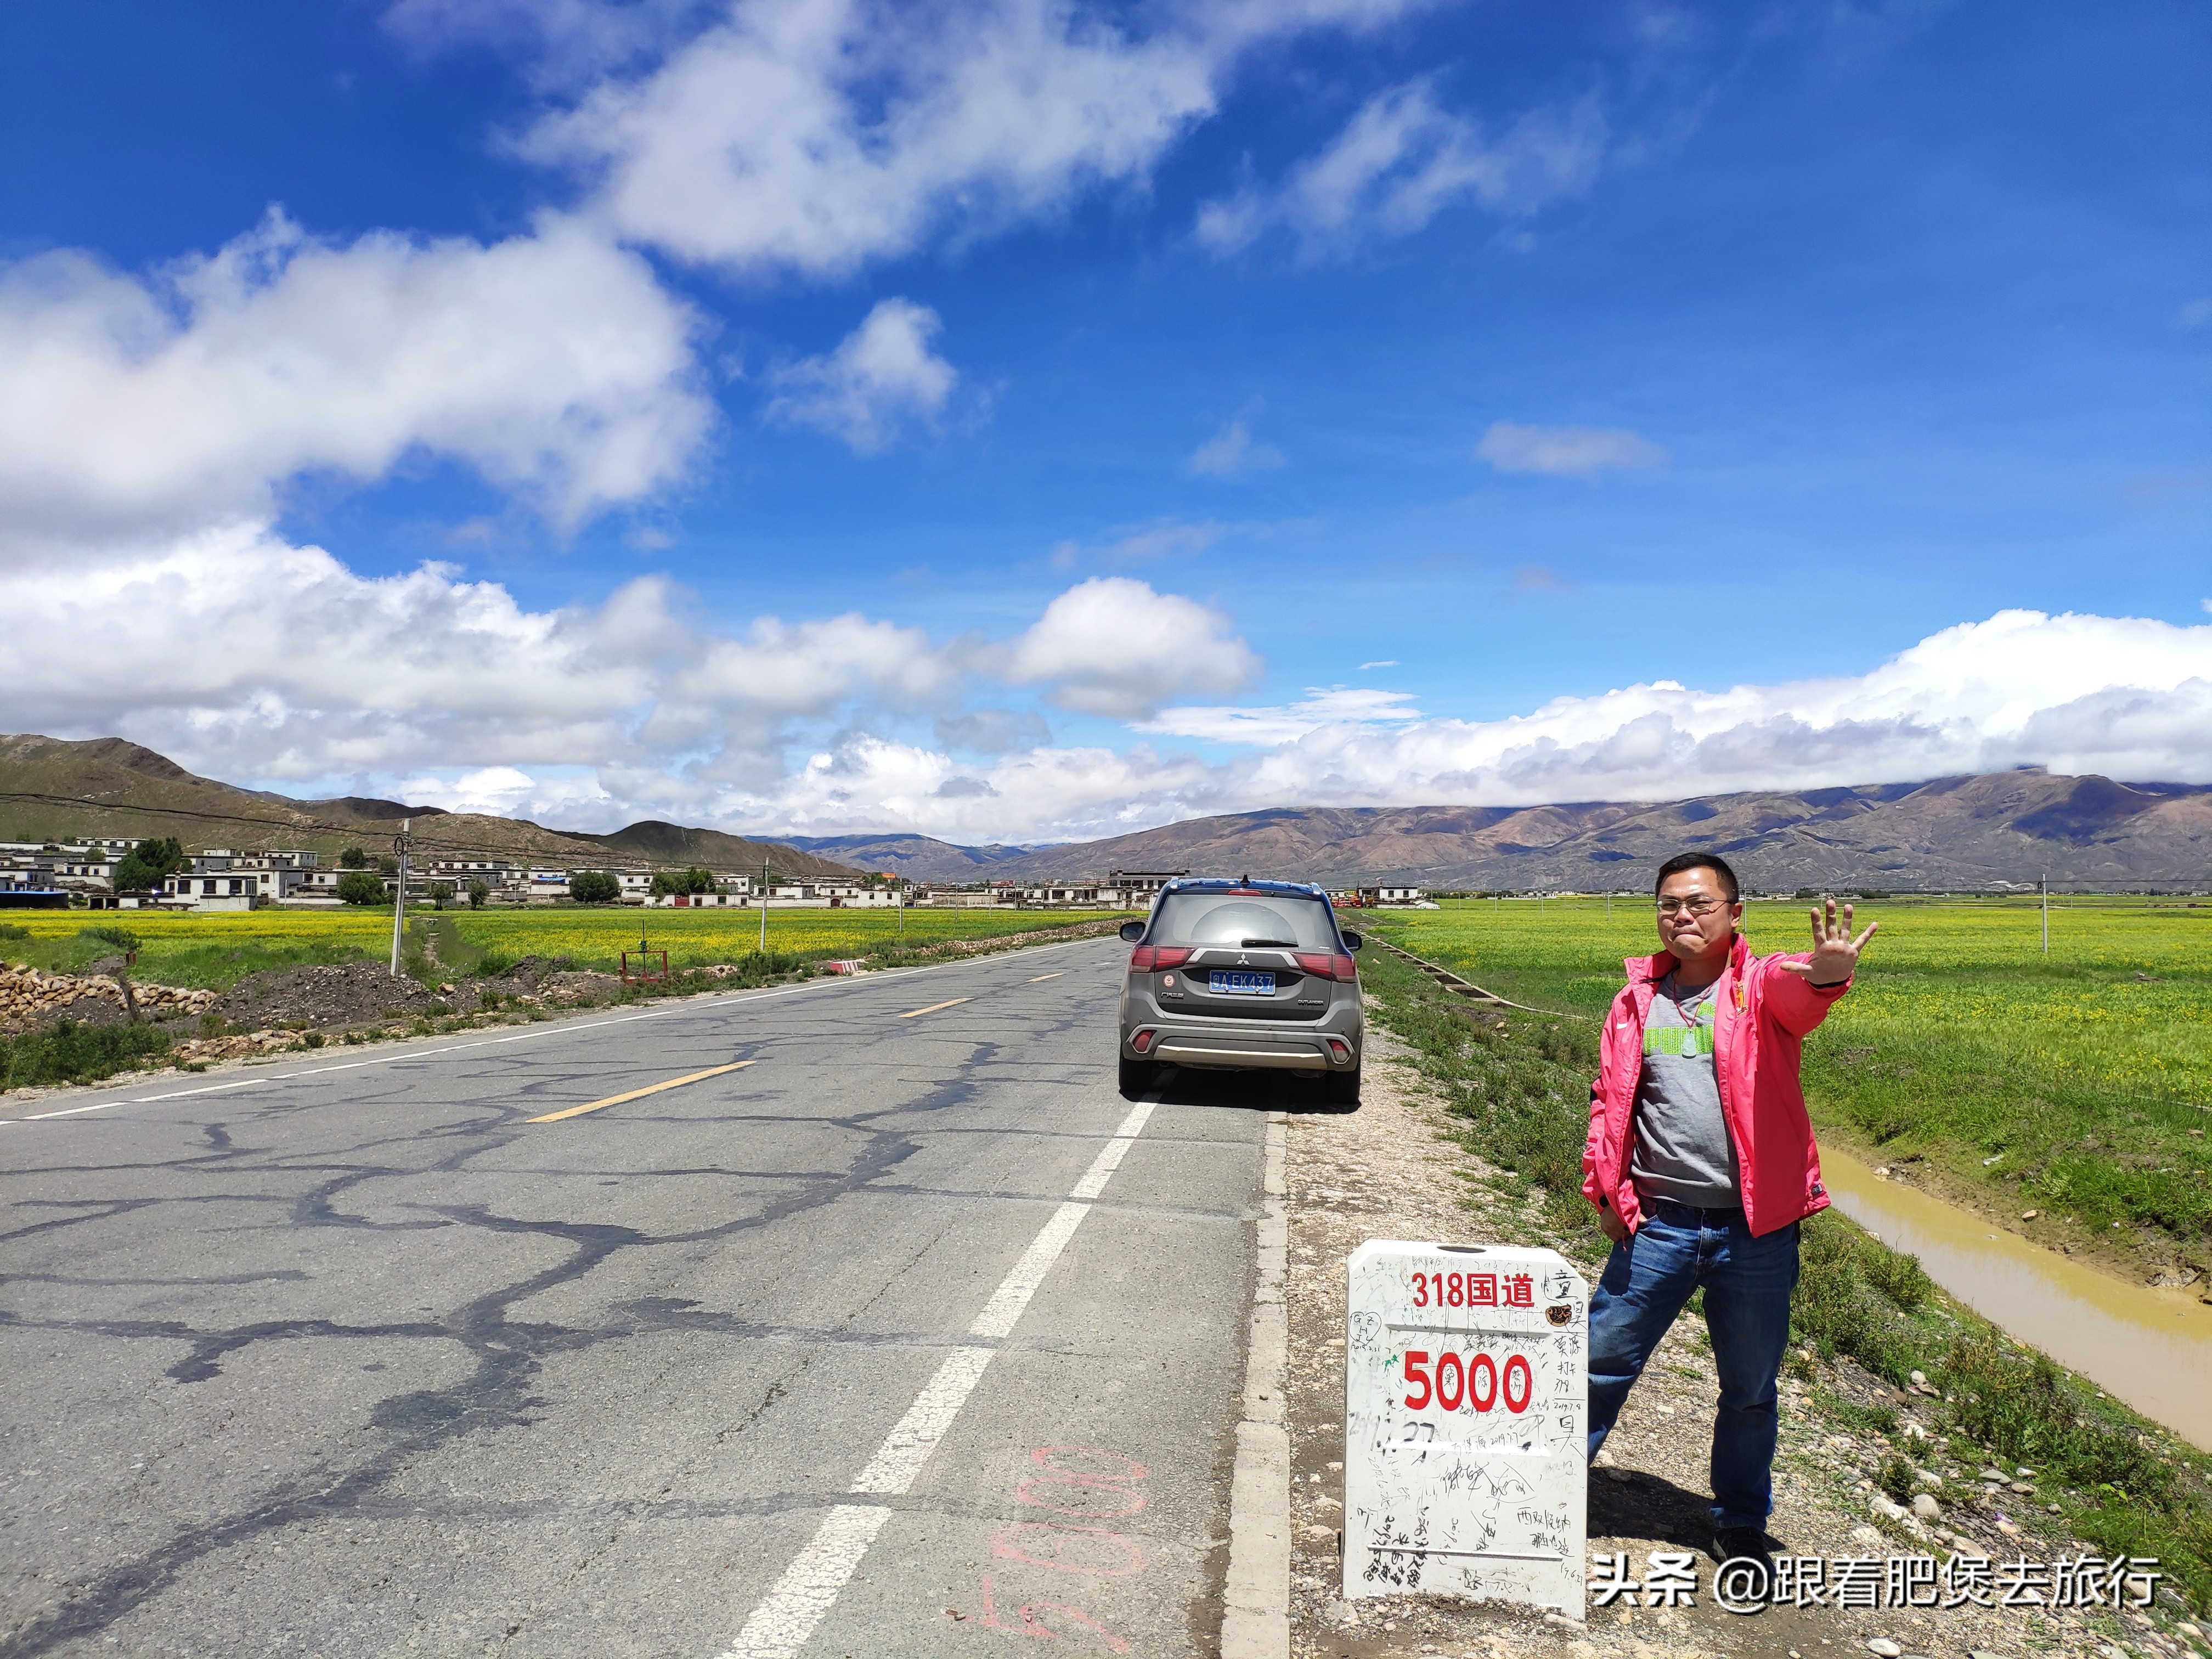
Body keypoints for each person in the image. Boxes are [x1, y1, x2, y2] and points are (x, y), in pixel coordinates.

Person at [1581, 852, 1876, 1565]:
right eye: (1669, 905)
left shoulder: (1758, 987)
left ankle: (1740, 1521)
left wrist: (1829, 971)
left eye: (1699, 904)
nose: (1682, 915)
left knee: (1748, 1390)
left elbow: (1801, 994)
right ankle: (1542, 1486)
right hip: (1657, 1225)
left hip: (1754, 1233)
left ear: (1734, 914)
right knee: (1596, 1362)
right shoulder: (1635, 1001)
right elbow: (1609, 1098)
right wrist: (1603, 1185)